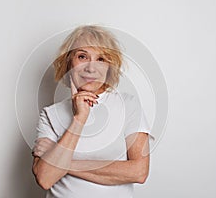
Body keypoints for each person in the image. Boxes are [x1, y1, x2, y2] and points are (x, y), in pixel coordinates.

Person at [32, 25, 153, 198]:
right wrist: (79, 119)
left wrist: (63, 164)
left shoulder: (128, 105)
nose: (91, 68)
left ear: (110, 66)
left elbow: (139, 172)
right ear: (68, 62)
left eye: (101, 59)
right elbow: (45, 178)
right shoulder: (50, 114)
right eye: (82, 56)